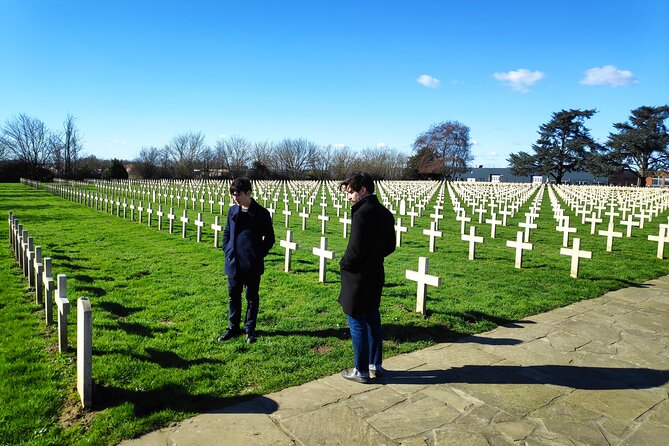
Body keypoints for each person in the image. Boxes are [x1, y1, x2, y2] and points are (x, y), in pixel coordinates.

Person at [338, 172, 396, 383]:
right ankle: (375, 365)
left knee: (356, 321)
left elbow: (354, 250)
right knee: (373, 318)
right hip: (375, 274)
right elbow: (390, 246)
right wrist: (373, 257)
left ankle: (360, 370)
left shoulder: (361, 213)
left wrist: (343, 264)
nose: (349, 197)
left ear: (363, 190)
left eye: (351, 192)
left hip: (357, 277)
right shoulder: (385, 213)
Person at [218, 178, 275, 344]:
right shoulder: (232, 211)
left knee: (251, 297)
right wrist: (227, 250)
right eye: (233, 195)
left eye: (238, 195)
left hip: (252, 264)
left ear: (248, 193)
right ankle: (233, 327)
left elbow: (270, 238)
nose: (235, 198)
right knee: (233, 296)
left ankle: (250, 329)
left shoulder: (261, 213)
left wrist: (257, 255)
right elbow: (227, 233)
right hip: (233, 262)